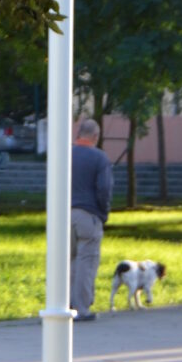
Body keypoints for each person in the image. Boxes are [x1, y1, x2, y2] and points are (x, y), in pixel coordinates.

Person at [70, 115, 112, 322]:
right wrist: (103, 213)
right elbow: (104, 189)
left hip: (64, 215)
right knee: (86, 261)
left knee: (68, 261)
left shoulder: (65, 154)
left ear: (78, 134)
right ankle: (82, 308)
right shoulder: (100, 158)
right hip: (88, 215)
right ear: (95, 136)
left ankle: (64, 304)